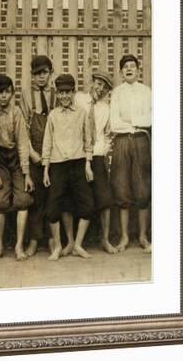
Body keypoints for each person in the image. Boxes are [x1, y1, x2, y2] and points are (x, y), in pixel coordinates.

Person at [42, 73, 94, 261]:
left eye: (67, 92)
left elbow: (88, 141)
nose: (64, 96)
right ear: (57, 94)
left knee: (87, 205)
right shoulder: (53, 115)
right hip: (57, 165)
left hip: (79, 163)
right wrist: (46, 168)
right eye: (61, 92)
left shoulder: (82, 113)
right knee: (54, 208)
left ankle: (78, 244)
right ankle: (59, 245)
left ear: (73, 92)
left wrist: (88, 164)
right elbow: (47, 143)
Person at [0, 75, 34, 261]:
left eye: (8, 92)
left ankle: (19, 246)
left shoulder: (17, 112)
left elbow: (22, 142)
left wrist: (26, 173)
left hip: (16, 159)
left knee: (23, 200)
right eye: (0, 92)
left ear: (12, 93)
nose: (4, 96)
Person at [110, 54, 152, 253]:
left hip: (141, 141)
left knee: (143, 189)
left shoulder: (146, 91)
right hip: (121, 143)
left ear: (138, 70)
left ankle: (143, 236)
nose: (129, 69)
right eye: (125, 66)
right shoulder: (117, 93)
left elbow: (151, 119)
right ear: (121, 72)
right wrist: (136, 121)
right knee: (121, 188)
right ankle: (125, 236)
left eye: (132, 66)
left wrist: (131, 119)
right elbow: (114, 123)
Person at [74, 71, 118, 254]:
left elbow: (107, 135)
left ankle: (105, 240)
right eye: (98, 84)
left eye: (105, 88)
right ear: (91, 82)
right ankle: (75, 243)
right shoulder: (78, 99)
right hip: (78, 154)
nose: (100, 90)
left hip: (97, 156)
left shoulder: (105, 109)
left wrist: (103, 150)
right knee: (80, 198)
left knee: (105, 199)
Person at [20, 55, 56, 257]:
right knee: (35, 198)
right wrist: (32, 154)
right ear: (32, 76)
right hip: (34, 151)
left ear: (50, 73)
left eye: (44, 73)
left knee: (52, 196)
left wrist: (51, 156)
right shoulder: (26, 95)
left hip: (53, 152)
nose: (41, 78)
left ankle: (52, 239)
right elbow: (23, 128)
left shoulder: (56, 93)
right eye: (37, 74)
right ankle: (33, 240)